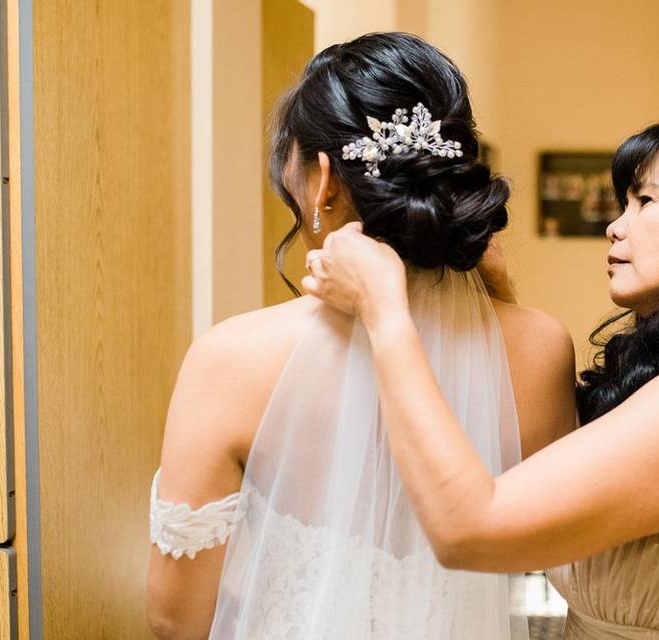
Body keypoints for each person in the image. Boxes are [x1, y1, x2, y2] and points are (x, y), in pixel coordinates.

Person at [302, 113, 659, 638]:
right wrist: (499, 297)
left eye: (645, 201)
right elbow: (572, 481)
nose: (616, 227)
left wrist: (384, 310)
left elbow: (467, 529)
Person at [146, 32, 575, 640]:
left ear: (323, 182)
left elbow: (176, 620)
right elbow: (562, 563)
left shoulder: (229, 359)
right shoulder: (543, 348)